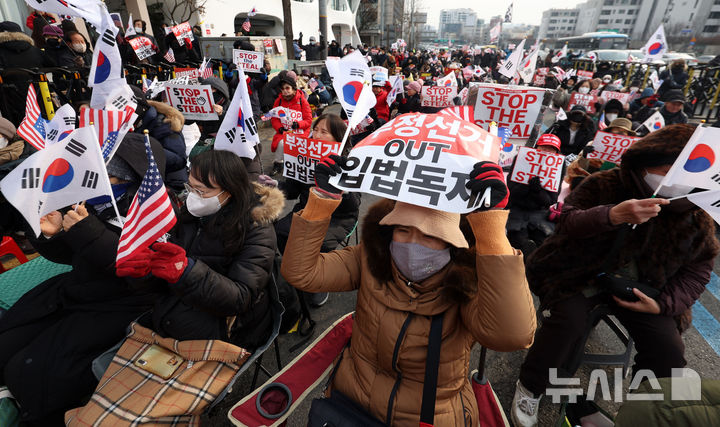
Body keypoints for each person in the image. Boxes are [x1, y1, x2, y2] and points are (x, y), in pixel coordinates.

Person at [281, 154, 535, 425]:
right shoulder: (371, 258)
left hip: (432, 415)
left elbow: (513, 335)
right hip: (348, 404)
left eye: (431, 235)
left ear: (452, 243)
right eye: (403, 230)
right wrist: (321, 201)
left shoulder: (467, 283)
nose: (414, 244)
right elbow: (301, 272)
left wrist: (492, 232)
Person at [511, 124, 720, 427]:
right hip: (579, 273)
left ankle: (649, 410)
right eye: (668, 167)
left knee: (669, 350)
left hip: (646, 288)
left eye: (684, 170)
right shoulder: (604, 183)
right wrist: (612, 215)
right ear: (645, 161)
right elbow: (567, 221)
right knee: (565, 323)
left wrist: (664, 304)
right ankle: (531, 386)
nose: (674, 178)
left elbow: (699, 269)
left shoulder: (697, 213)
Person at [0, 136, 169, 425]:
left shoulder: (156, 215)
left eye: (112, 177)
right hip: (75, 290)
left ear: (134, 180)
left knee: (28, 371)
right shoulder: (95, 205)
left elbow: (140, 274)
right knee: (6, 341)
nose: (104, 182)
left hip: (117, 306)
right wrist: (53, 234)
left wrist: (87, 232)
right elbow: (71, 256)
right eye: (103, 174)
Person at [117, 149, 284, 347]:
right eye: (191, 187)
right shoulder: (190, 215)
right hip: (173, 315)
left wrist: (186, 271)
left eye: (202, 191)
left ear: (229, 190)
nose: (194, 197)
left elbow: (241, 298)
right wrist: (146, 273)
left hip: (227, 328)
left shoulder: (257, 230)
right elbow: (168, 279)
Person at [274, 114, 360, 307]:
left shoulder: (350, 162)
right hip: (308, 210)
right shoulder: (302, 155)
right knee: (280, 231)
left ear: (338, 138)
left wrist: (341, 189)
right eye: (316, 129)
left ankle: (318, 282)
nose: (317, 135)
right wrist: (274, 186)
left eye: (324, 132)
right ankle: (293, 270)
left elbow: (354, 206)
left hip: (338, 218)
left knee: (316, 243)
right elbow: (293, 190)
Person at [506, 134, 563, 256]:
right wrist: (526, 184)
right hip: (516, 212)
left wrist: (537, 191)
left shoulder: (558, 167)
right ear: (536, 148)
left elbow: (550, 200)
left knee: (543, 244)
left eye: (551, 149)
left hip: (539, 214)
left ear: (557, 152)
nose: (547, 151)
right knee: (520, 243)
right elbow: (511, 191)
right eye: (544, 147)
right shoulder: (520, 159)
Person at [270, 72, 312, 176]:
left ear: (294, 89)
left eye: (287, 88)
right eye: (283, 89)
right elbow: (274, 119)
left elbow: (308, 120)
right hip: (285, 131)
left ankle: (298, 165)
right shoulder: (278, 101)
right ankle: (278, 164)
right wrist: (279, 128)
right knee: (281, 143)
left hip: (300, 131)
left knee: (297, 145)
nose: (285, 91)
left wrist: (298, 124)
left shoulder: (302, 101)